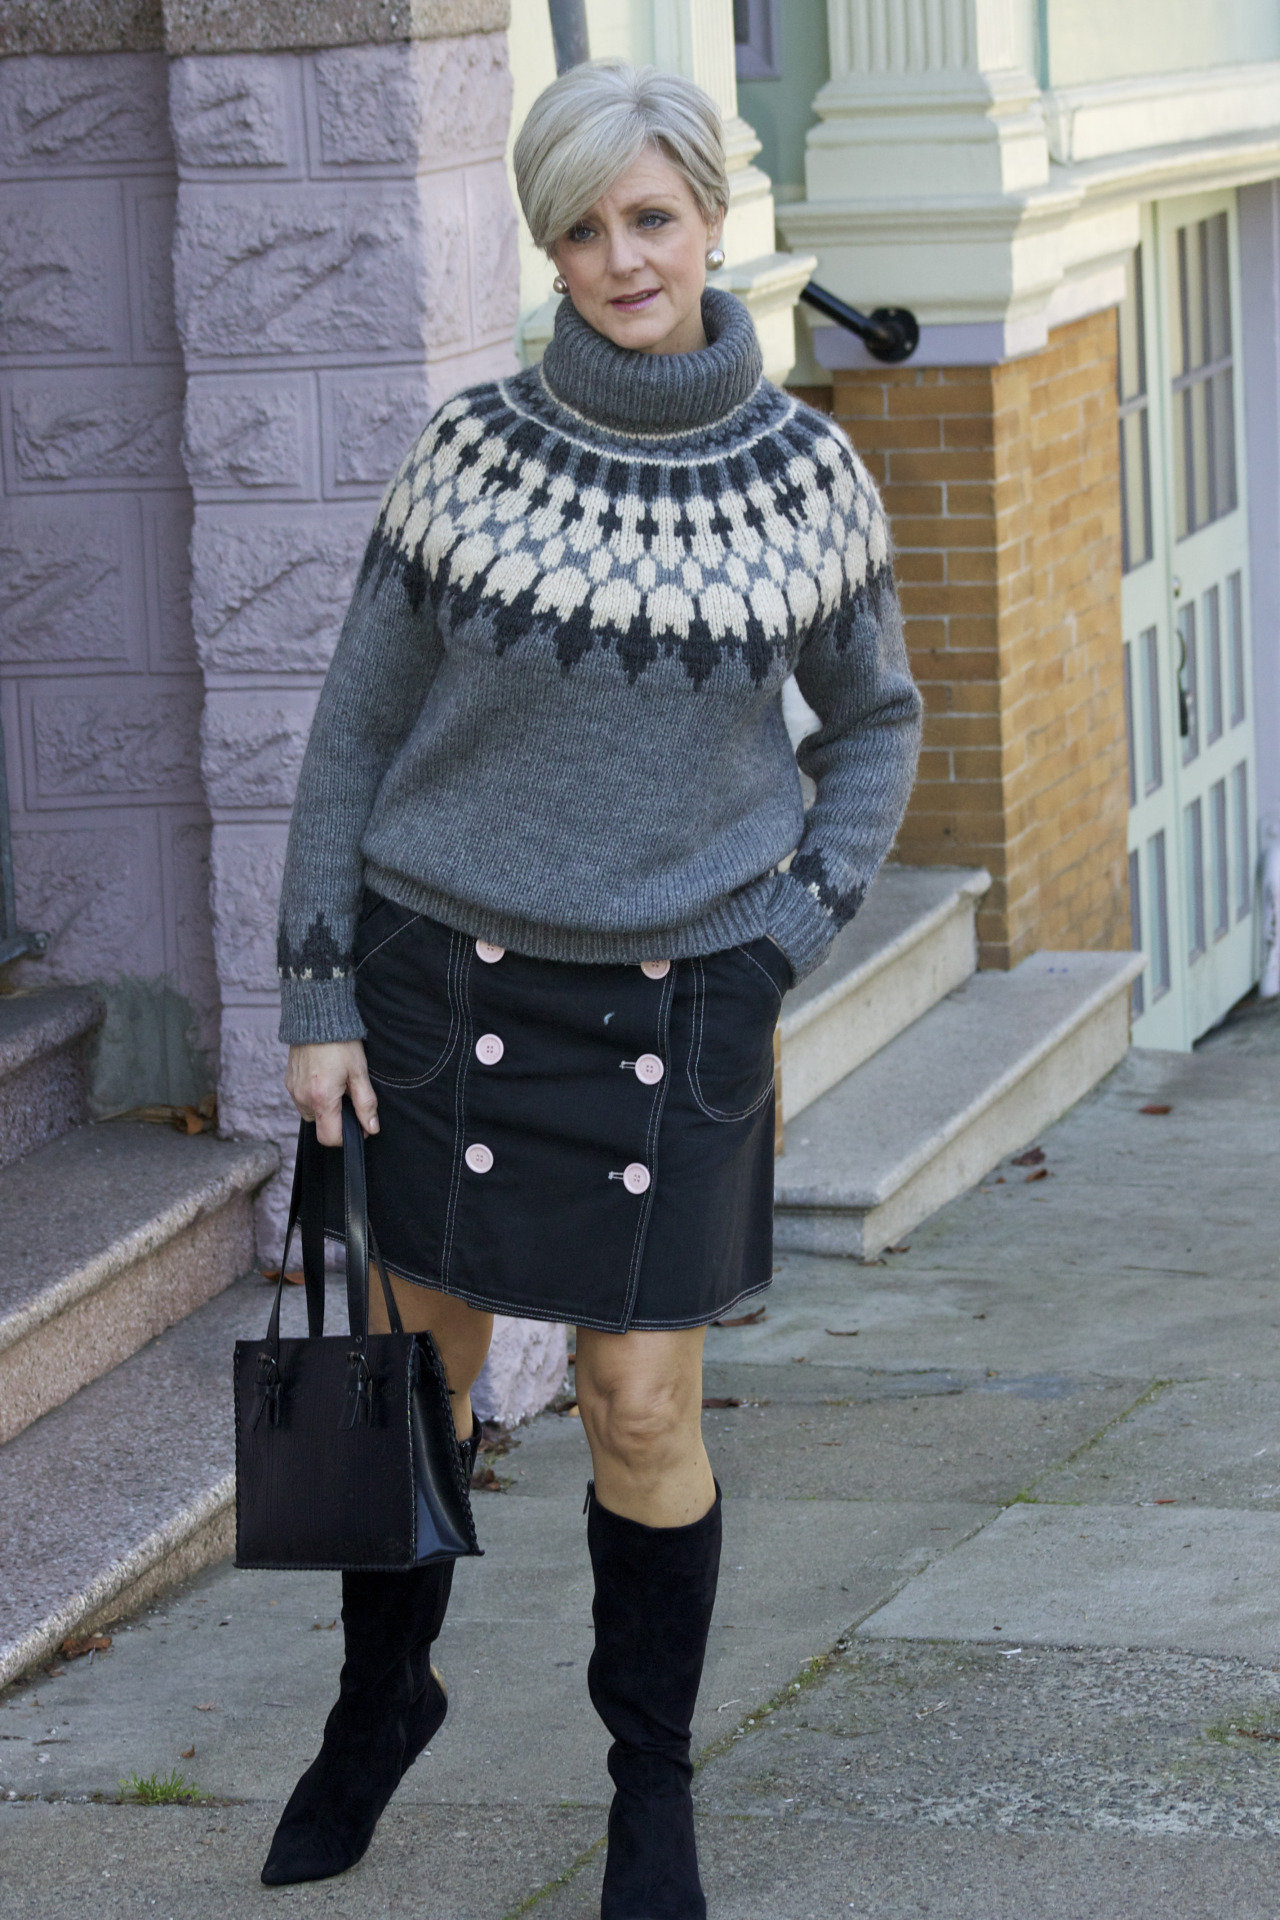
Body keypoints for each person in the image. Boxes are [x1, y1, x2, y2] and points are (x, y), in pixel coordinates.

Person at [264, 57, 921, 1917]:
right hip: (438, 977)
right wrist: (317, 994)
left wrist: (786, 933)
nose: (622, 258)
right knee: (425, 1377)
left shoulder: (805, 477)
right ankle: (380, 1702)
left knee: (640, 1404)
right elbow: (351, 734)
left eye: (651, 217)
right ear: (546, 248)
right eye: (580, 228)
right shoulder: (469, 455)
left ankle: (652, 1790)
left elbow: (875, 722)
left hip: (680, 1002)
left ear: (711, 217)